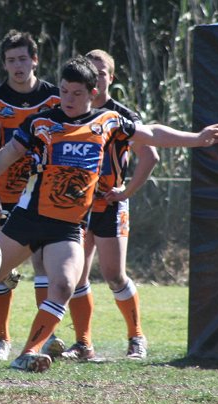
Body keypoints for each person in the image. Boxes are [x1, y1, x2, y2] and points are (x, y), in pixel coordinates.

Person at [0, 55, 218, 373]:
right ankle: (6, 279)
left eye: (76, 93)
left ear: (92, 93)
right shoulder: (41, 123)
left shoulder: (108, 122)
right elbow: (1, 158)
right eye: (64, 91)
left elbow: (152, 134)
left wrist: (197, 139)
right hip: (28, 220)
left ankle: (28, 353)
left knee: (65, 285)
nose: (67, 98)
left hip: (67, 228)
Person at [0, 29, 63, 361]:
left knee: (42, 264)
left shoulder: (55, 96)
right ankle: (2, 340)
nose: (18, 66)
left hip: (43, 192)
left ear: (35, 59)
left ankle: (45, 339)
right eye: (11, 61)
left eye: (23, 58)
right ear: (5, 64)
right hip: (3, 192)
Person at [61, 49, 159, 361]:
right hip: (77, 205)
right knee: (77, 275)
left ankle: (136, 337)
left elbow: (151, 155)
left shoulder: (123, 115)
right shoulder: (71, 109)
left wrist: (127, 190)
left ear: (110, 78)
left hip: (109, 203)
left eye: (103, 72)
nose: (97, 77)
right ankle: (83, 344)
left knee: (114, 275)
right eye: (92, 71)